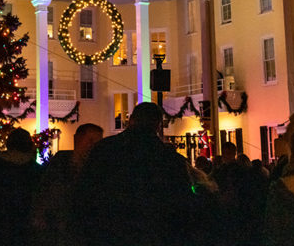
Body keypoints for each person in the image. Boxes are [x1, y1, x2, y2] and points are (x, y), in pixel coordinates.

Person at [74, 102, 201, 245]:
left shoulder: (105, 149)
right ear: (158, 125)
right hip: (153, 234)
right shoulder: (168, 158)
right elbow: (182, 204)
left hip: (108, 232)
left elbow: (84, 193)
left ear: (131, 120)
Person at [32, 123, 103, 246]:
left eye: (98, 143)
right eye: (90, 141)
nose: (93, 146)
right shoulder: (60, 164)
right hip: (58, 228)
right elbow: (45, 191)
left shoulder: (98, 169)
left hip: (82, 230)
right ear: (78, 139)